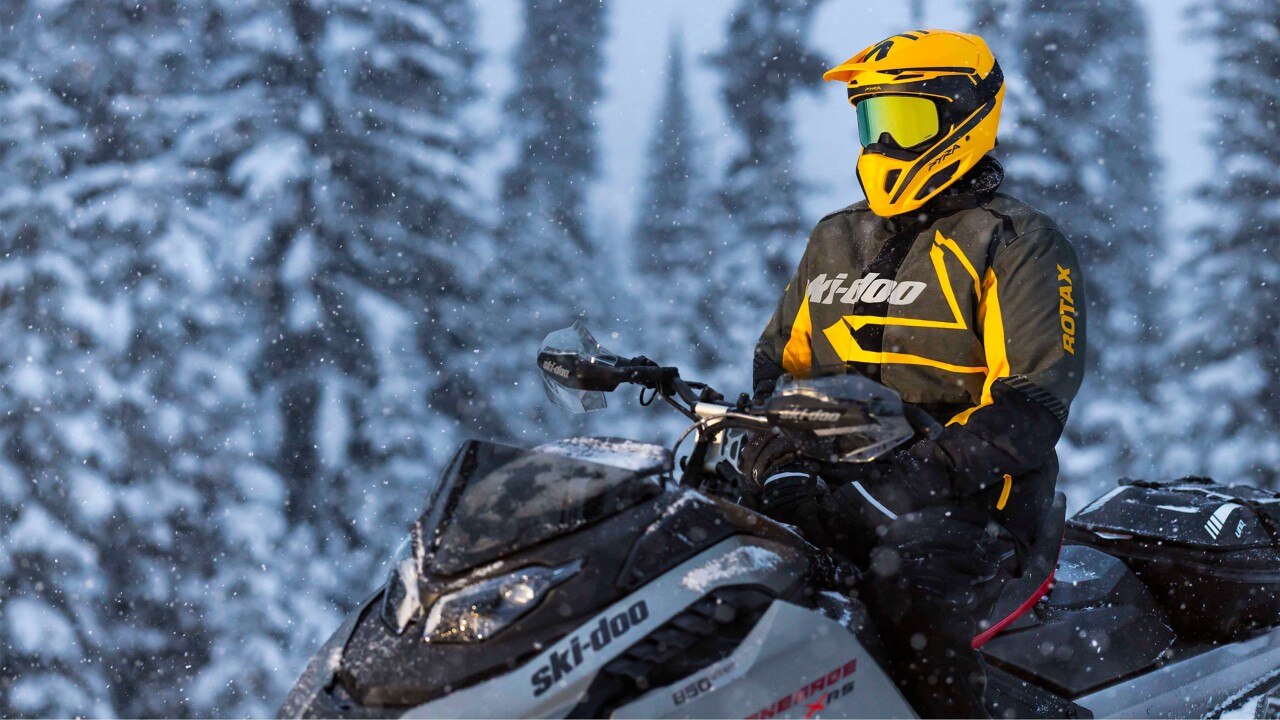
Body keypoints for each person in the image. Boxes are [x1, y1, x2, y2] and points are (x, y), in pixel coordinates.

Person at [745, 29, 1087, 718]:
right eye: (874, 122)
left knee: (907, 581)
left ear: (964, 119)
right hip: (839, 488)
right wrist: (772, 453)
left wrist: (910, 479)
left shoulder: (1014, 241)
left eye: (905, 121)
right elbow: (777, 376)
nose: (882, 145)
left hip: (974, 507)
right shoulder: (835, 238)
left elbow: (1029, 407)